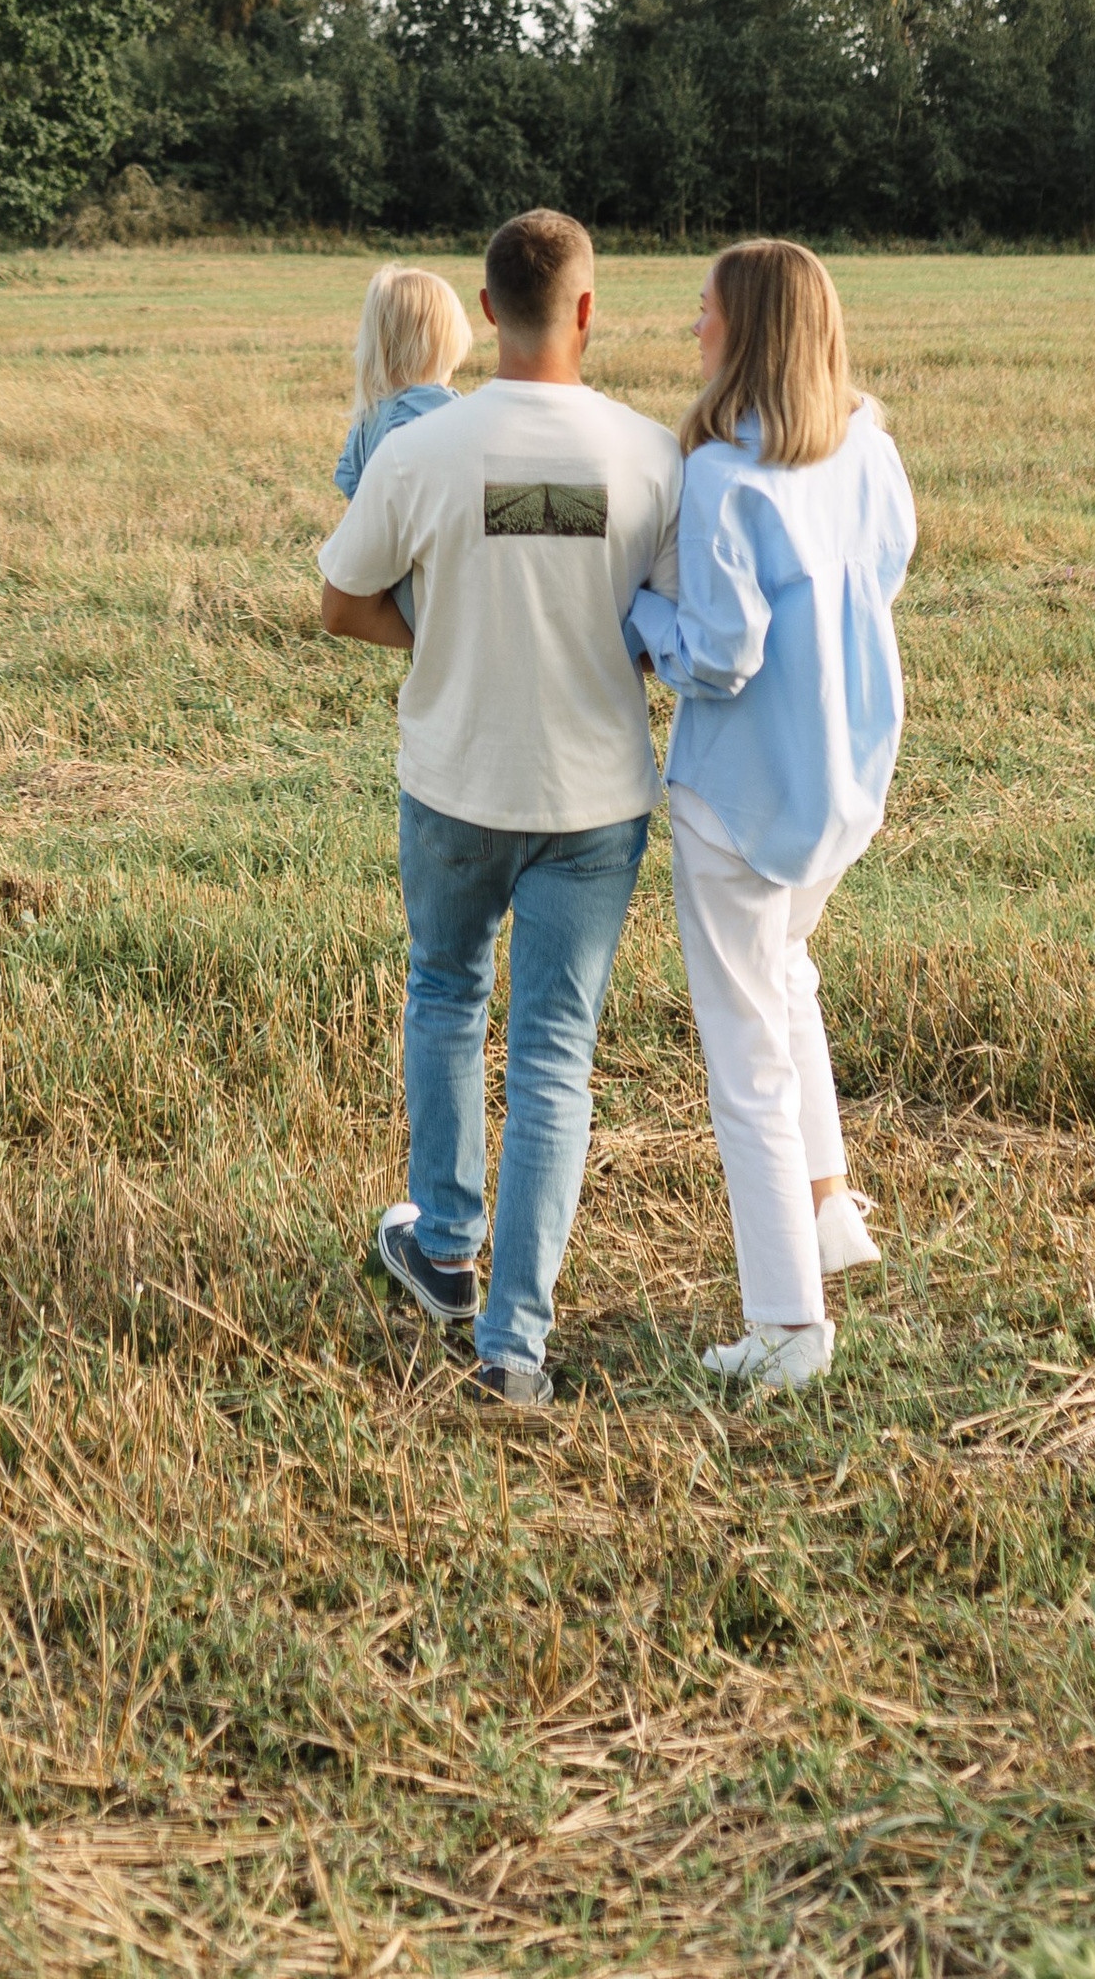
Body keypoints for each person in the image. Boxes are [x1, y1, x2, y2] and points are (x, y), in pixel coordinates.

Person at [318, 209, 683, 1408]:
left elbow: (341, 600)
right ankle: (514, 1349)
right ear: (586, 311)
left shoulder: (417, 453)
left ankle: (443, 1247)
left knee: (443, 994)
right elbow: (671, 627)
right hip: (594, 804)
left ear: (484, 313)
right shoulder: (643, 455)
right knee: (555, 1061)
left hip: (457, 783)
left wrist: (442, 639)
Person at [625, 240, 915, 1397]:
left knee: (742, 1056)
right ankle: (829, 1209)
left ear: (742, 334)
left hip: (739, 802)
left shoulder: (718, 477)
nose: (689, 331)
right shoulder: (871, 451)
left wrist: (640, 616)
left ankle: (788, 1327)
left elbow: (722, 655)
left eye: (701, 315)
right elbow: (884, 572)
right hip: (844, 784)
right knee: (785, 976)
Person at [334, 265, 477, 630]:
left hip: (399, 589)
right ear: (442, 342)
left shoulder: (368, 418)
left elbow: (353, 488)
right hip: (442, 584)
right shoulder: (429, 405)